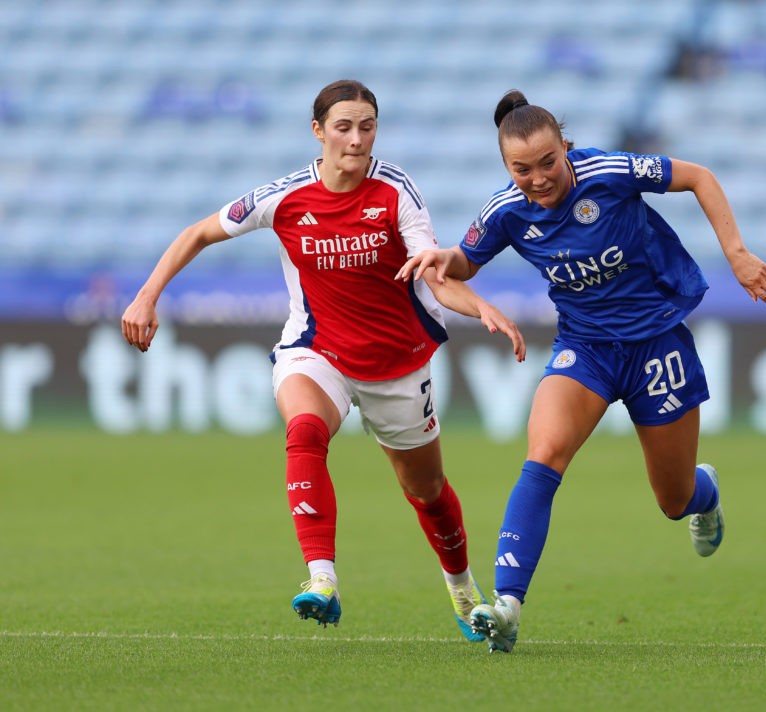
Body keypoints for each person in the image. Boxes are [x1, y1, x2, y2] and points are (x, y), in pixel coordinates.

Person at [121, 79, 526, 640]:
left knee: (427, 491)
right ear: (318, 131)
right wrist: (147, 295)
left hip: (397, 361)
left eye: (367, 127)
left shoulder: (396, 192)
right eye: (344, 127)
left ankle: (462, 589)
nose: (357, 140)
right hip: (317, 349)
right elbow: (199, 233)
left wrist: (481, 306)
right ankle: (322, 579)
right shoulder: (284, 197)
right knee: (305, 429)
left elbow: (435, 272)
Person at [397, 89, 766, 652]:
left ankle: (705, 494)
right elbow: (463, 261)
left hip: (657, 345)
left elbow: (699, 176)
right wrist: (444, 261)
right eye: (521, 169)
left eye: (548, 163)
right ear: (507, 166)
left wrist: (737, 253)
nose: (538, 179)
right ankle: (506, 605)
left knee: (673, 500)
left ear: (565, 147)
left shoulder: (609, 171)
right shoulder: (506, 210)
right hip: (586, 349)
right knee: (543, 454)